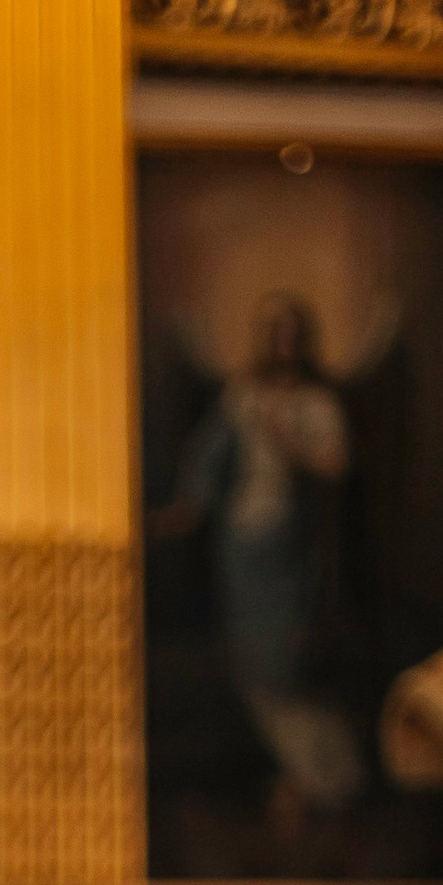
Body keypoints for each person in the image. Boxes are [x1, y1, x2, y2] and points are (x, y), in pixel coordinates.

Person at [157, 288, 366, 820]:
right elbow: (209, 459)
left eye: (291, 332)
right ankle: (300, 775)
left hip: (290, 551)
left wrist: (289, 439)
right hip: (241, 547)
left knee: (283, 666)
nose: (282, 343)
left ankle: (326, 776)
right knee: (251, 664)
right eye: (274, 332)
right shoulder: (241, 396)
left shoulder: (317, 403)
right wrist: (187, 506)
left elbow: (336, 463)